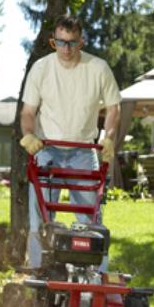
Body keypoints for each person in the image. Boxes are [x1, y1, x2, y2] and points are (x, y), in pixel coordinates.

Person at [20, 14, 121, 272]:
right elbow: (28, 112)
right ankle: (39, 275)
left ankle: (96, 278)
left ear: (81, 41)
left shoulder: (98, 68)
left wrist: (108, 137)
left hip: (84, 152)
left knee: (91, 221)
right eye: (60, 43)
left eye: (72, 43)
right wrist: (29, 134)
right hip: (46, 151)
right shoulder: (41, 69)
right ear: (53, 41)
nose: (66, 49)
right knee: (39, 221)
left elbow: (113, 108)